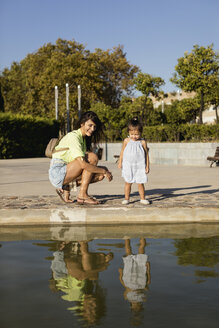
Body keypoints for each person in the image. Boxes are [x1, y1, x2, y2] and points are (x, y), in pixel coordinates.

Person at [49, 111, 113, 205]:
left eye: (94, 127)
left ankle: (67, 187)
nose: (92, 129)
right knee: (93, 158)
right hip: (58, 172)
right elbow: (83, 165)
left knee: (100, 174)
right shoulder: (74, 137)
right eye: (90, 125)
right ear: (82, 124)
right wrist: (104, 172)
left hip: (66, 171)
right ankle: (82, 195)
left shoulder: (82, 139)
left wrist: (103, 171)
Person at [118, 238, 151, 325]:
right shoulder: (143, 298)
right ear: (141, 306)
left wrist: (120, 274)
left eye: (134, 308)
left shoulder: (127, 297)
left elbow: (124, 285)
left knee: (128, 253)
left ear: (131, 307)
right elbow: (148, 283)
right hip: (140, 278)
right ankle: (142, 236)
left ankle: (126, 238)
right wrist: (148, 270)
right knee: (141, 251)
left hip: (129, 277)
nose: (136, 306)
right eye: (138, 307)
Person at [117, 117, 150, 205]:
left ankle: (142, 198)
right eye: (132, 134)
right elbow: (122, 151)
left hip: (139, 165)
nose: (134, 136)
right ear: (128, 132)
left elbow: (146, 154)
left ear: (140, 133)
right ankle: (126, 198)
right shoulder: (126, 141)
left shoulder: (142, 142)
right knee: (128, 182)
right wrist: (120, 162)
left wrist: (147, 166)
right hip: (128, 165)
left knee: (140, 182)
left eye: (136, 134)